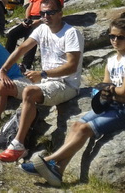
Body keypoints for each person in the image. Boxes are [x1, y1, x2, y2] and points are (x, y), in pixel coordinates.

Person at [0, 0, 84, 162]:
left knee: (29, 91)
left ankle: (19, 145)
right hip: (45, 81)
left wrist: (43, 74)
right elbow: (22, 48)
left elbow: (72, 66)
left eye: (50, 12)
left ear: (60, 13)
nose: (46, 16)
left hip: (65, 84)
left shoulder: (71, 33)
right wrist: (4, 69)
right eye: (42, 13)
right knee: (1, 86)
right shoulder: (42, 29)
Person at [20, 17, 125, 187]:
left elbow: (122, 92)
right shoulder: (112, 60)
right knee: (77, 125)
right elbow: (107, 86)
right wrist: (111, 91)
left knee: (84, 128)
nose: (115, 40)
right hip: (111, 106)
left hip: (122, 111)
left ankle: (48, 161)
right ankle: (58, 171)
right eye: (111, 36)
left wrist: (111, 91)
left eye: (120, 37)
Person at [4, 0, 64, 70]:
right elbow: (30, 5)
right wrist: (26, 19)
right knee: (12, 34)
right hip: (32, 17)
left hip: (45, 17)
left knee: (31, 36)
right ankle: (5, 59)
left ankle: (26, 65)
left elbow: (56, 9)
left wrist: (40, 21)